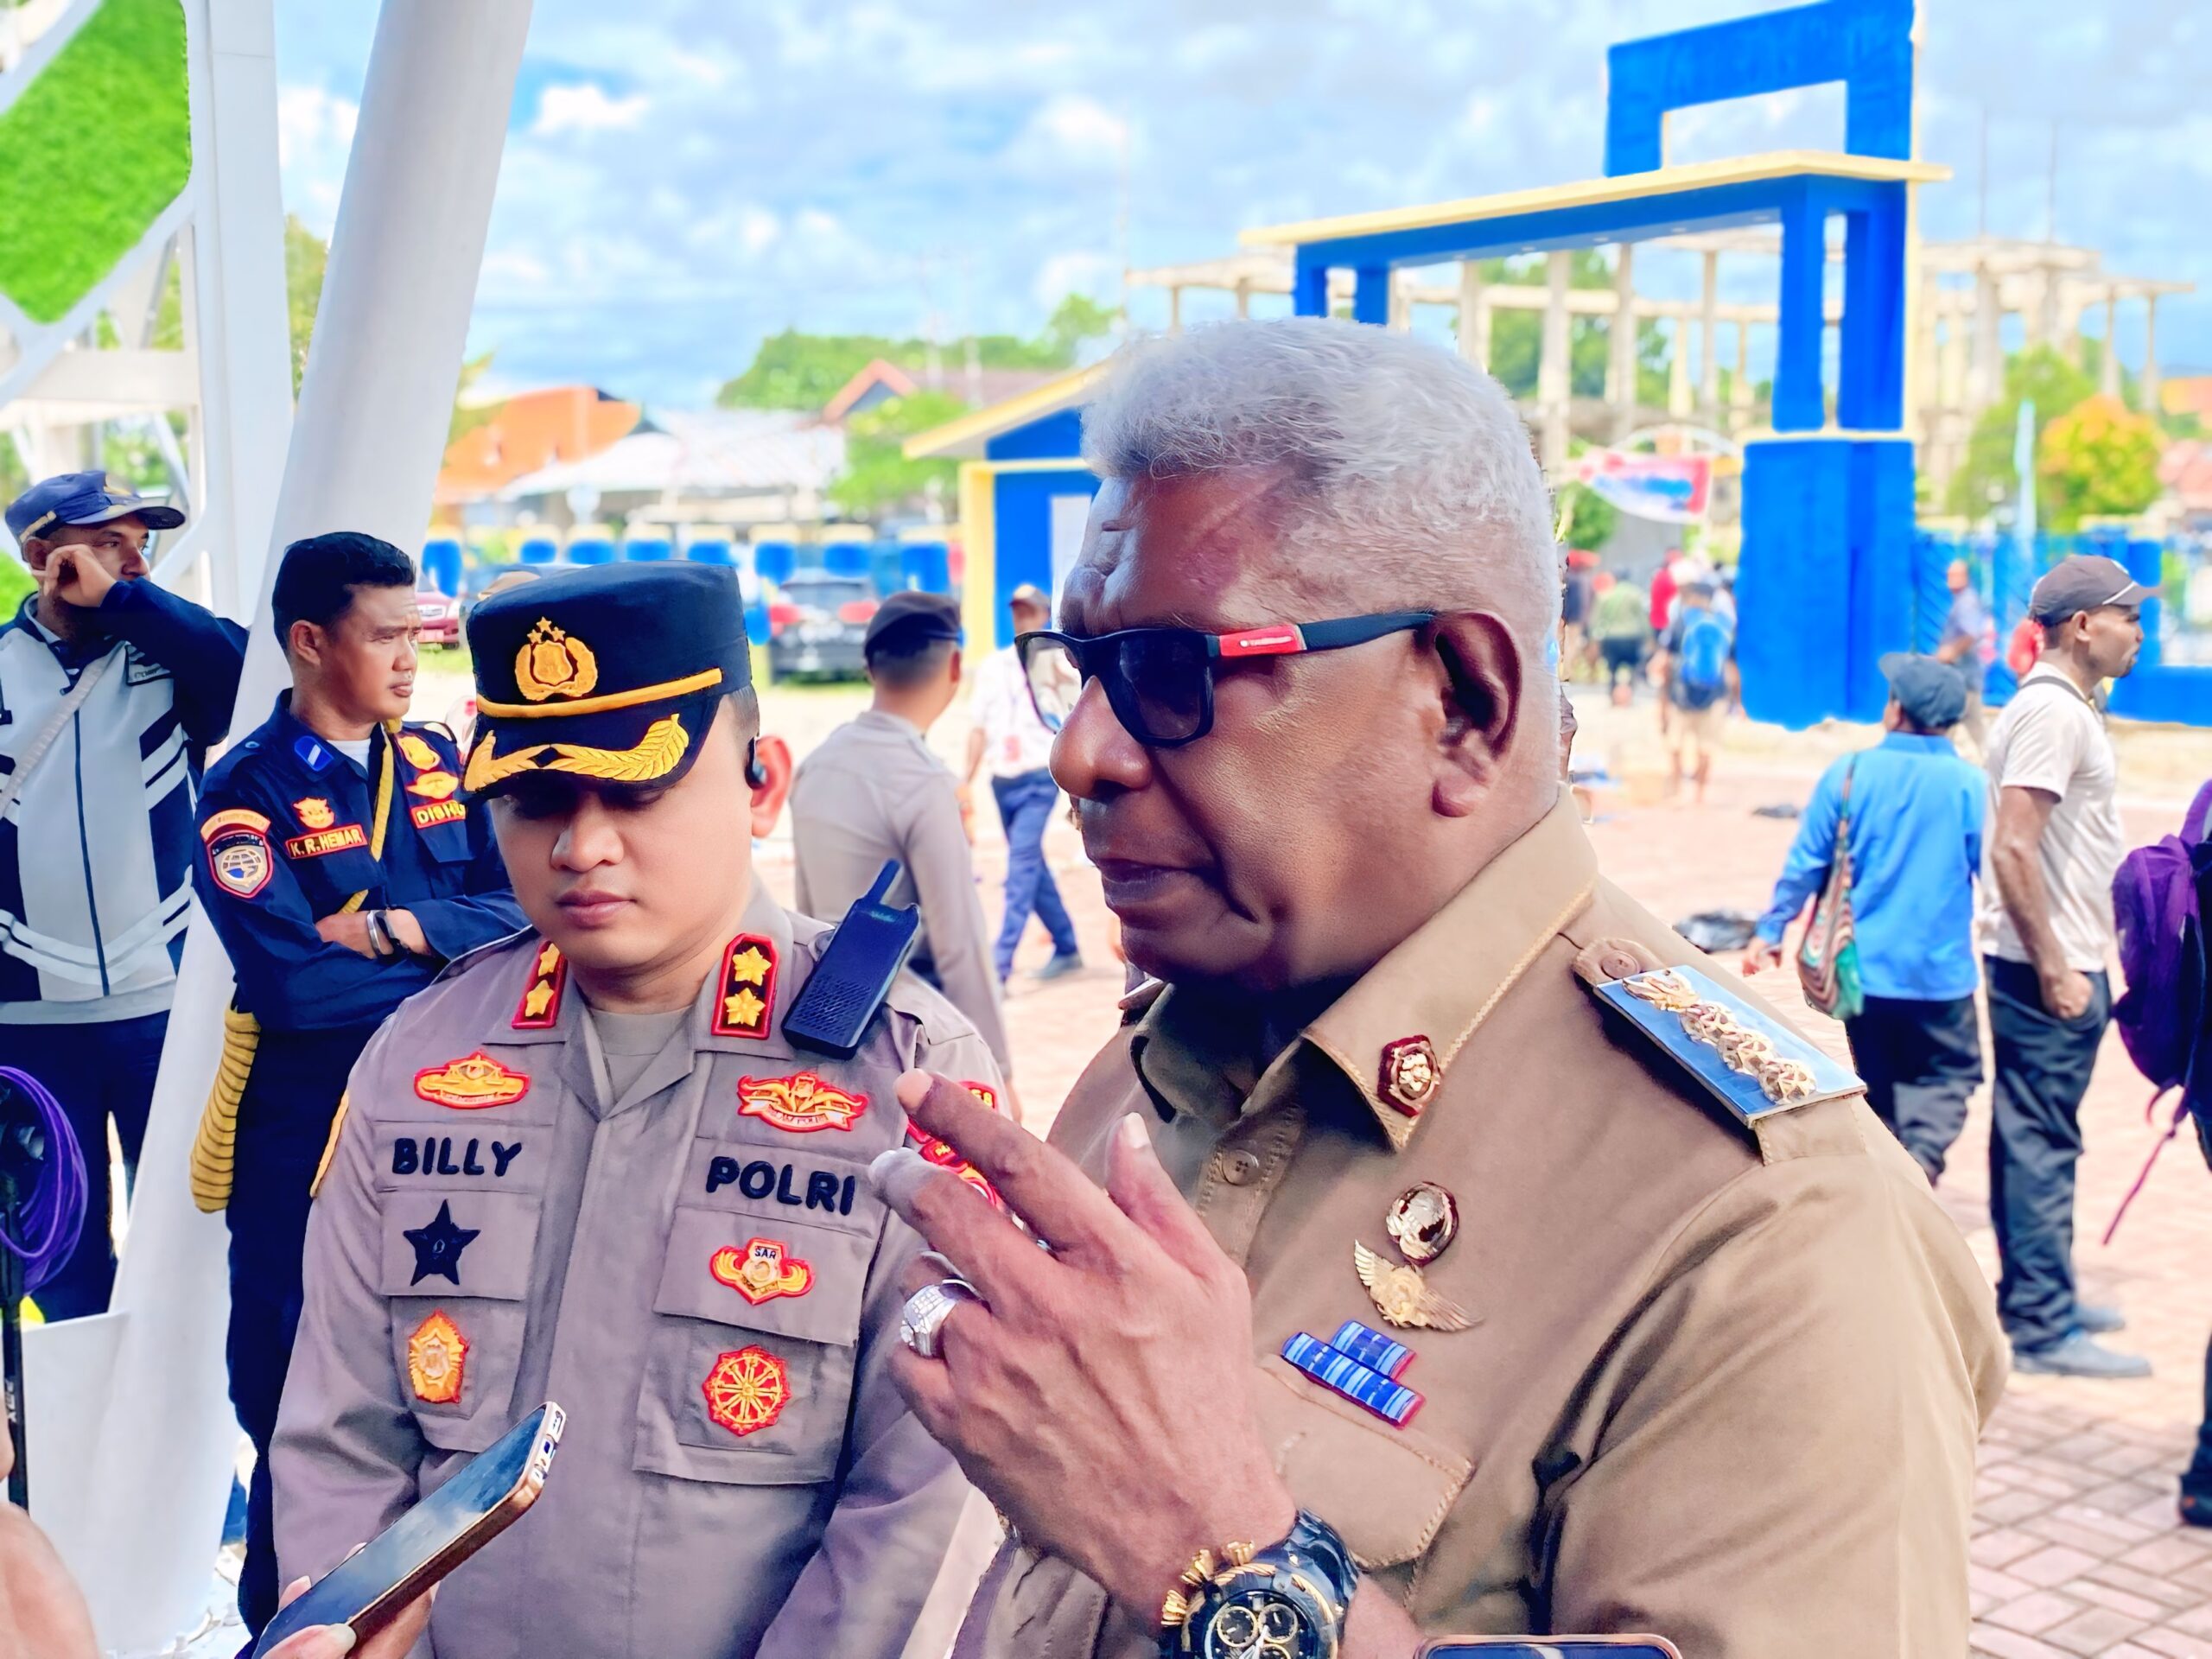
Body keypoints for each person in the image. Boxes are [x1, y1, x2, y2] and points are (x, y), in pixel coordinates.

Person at [865, 319, 2002, 1657]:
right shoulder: (1166, 1055)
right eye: (1086, 668)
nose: (1081, 754)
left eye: (1175, 674)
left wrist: (1223, 1566)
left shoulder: (1769, 1231)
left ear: (1463, 702)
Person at [273, 563, 995, 1659]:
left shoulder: (904, 1074)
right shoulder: (421, 1059)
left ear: (760, 785)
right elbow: (340, 1440)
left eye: (637, 792)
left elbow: (924, 1502)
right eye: (537, 801)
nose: (581, 847)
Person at [191, 531, 527, 1644]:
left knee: (448, 1375)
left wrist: (395, 928)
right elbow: (294, 988)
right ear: (308, 642)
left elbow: (520, 915)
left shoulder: (435, 762)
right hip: (307, 1133)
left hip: (452, 1122)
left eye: (414, 635)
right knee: (290, 1387)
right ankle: (283, 1626)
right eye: (382, 636)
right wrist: (450, 963)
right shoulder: (245, 791)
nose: (407, 658)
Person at [0, 473, 245, 1319]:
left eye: (143, 544)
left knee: (183, 1240)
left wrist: (126, 601)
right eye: (110, 543)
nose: (136, 561)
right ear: (43, 554)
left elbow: (254, 673)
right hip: (28, 1025)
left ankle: (179, 1408)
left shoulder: (170, 657)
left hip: (162, 1012)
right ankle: (82, 1406)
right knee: (58, 1250)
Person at [1978, 552, 2151, 1379]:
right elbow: (2014, 847)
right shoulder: (2052, 714)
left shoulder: (2064, 706)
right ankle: (2042, 1328)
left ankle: (2039, 1295)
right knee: (2040, 1142)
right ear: (2083, 626)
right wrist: (2054, 968)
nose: (2139, 634)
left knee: (2039, 1136)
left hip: (2056, 956)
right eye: (2129, 617)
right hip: (2049, 965)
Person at [1742, 653, 1986, 1182]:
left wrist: (1771, 929)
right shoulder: (1972, 787)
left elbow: (1807, 863)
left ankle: (1897, 1179)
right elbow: (1996, 875)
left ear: (1896, 710)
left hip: (1861, 973)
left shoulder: (1849, 774)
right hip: (1939, 976)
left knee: (1879, 1086)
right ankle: (1918, 1169)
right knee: (1947, 1078)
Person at [790, 590, 1011, 1077]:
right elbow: (959, 945)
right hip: (910, 1034)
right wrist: (995, 1067)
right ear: (955, 667)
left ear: (870, 668)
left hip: (824, 1016)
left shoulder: (815, 766)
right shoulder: (925, 783)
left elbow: (805, 911)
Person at [964, 582, 1084, 988]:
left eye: (1030, 611)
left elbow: (1073, 724)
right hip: (1003, 781)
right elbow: (978, 728)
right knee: (1032, 868)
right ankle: (1067, 946)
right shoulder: (993, 667)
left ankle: (999, 966)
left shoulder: (1059, 664)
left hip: (1037, 779)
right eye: (1017, 611)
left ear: (1043, 615)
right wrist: (965, 780)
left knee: (1020, 867)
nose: (1022, 618)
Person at [1654, 578, 1733, 803]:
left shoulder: (1682, 621)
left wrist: (1663, 698)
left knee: (1675, 744)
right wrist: (1736, 699)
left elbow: (1665, 661)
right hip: (1715, 694)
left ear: (1692, 598)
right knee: (1706, 747)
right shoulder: (1724, 623)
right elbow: (1731, 664)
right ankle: (1700, 794)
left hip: (1682, 695)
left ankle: (1678, 790)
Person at [1935, 557, 1993, 753]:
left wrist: (1950, 652)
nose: (1950, 581)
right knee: (1975, 727)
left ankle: (1939, 757)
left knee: (1944, 725)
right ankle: (1991, 760)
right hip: (1965, 678)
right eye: (1949, 576)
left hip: (1961, 678)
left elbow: (1970, 633)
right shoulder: (1962, 600)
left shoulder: (1966, 602)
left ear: (1965, 577)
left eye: (1955, 576)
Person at [1587, 571, 1649, 707]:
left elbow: (1595, 619)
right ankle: (1629, 696)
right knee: (1633, 667)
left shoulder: (1606, 594)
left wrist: (1592, 638)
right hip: (1632, 636)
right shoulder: (1636, 594)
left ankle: (1613, 696)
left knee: (1612, 669)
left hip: (1611, 637)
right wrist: (1649, 636)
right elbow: (1643, 618)